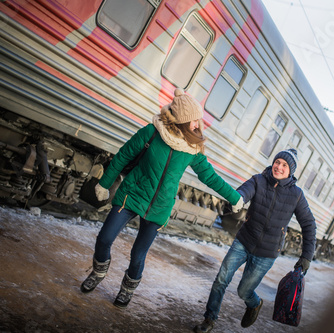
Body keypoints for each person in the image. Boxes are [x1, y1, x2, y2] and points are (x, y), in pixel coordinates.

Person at [81, 88, 244, 308]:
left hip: (159, 207)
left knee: (138, 255)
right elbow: (123, 156)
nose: (198, 125)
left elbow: (210, 177)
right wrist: (104, 184)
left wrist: (234, 197)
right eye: (194, 121)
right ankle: (98, 272)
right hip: (132, 195)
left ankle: (127, 289)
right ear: (183, 120)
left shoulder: (192, 149)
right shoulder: (152, 132)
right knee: (104, 238)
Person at [193, 148, 317, 332]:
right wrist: (237, 200)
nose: (279, 167)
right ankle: (209, 320)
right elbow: (244, 192)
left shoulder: (296, 195)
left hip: (267, 253)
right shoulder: (258, 180)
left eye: (284, 165)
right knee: (221, 279)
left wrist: (306, 256)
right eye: (277, 162)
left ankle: (254, 303)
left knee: (243, 291)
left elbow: (309, 224)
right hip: (244, 241)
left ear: (291, 171)